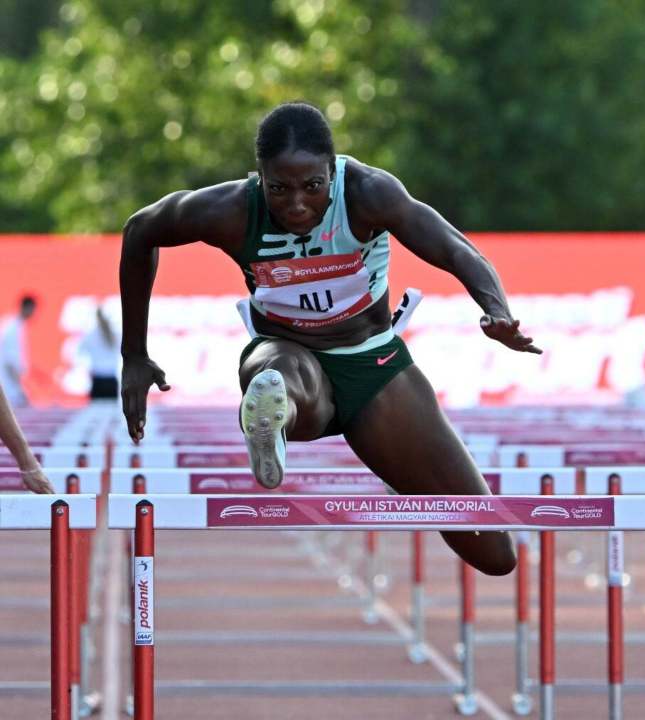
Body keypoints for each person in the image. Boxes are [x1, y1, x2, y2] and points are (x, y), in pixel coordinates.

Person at [119, 102, 539, 575]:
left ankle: (276, 413)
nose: (296, 204)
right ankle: (271, 419)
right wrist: (134, 353)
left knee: (492, 550)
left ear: (332, 175)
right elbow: (140, 231)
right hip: (291, 356)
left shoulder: (369, 194)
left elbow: (454, 247)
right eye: (278, 189)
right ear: (259, 177)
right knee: (277, 369)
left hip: (372, 364)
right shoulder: (232, 210)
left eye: (312, 187)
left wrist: (496, 309)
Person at [0, 295, 36, 408]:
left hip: (11, 382)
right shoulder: (11, 328)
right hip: (8, 383)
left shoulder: (18, 326)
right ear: (27, 307)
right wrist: (19, 387)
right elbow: (9, 361)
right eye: (33, 309)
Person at [79, 305, 119, 402]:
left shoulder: (91, 335)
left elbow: (80, 352)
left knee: (97, 413)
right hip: (111, 379)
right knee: (110, 412)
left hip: (98, 379)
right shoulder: (116, 334)